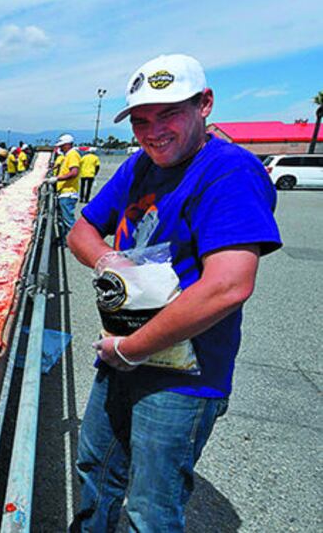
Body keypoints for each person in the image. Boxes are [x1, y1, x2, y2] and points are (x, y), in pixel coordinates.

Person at [68, 54, 281, 531]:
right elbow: (81, 231)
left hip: (181, 374)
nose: (153, 130)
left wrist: (132, 348)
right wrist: (110, 258)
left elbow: (228, 285)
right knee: (95, 470)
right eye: (141, 120)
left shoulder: (230, 171)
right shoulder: (140, 166)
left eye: (169, 114)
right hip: (122, 358)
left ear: (204, 105)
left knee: (151, 506)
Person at [47, 134, 80, 244]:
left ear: (67, 145)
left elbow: (74, 172)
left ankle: (75, 243)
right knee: (62, 219)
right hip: (63, 192)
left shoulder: (73, 155)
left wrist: (57, 178)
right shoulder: (67, 155)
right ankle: (64, 240)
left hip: (68, 192)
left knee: (68, 220)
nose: (60, 148)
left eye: (62, 145)